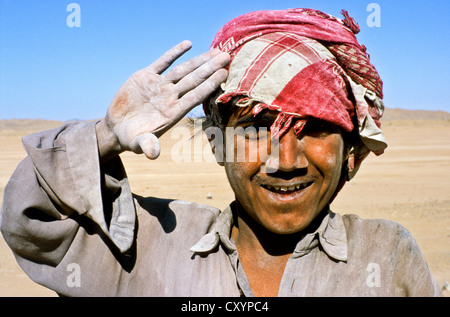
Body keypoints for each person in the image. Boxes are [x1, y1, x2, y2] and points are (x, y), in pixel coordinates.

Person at [0, 8, 442, 297]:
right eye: (254, 128)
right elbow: (32, 222)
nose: (285, 161)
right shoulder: (152, 245)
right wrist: (104, 137)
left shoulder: (386, 253)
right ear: (217, 144)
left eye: (315, 129)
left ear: (353, 154)